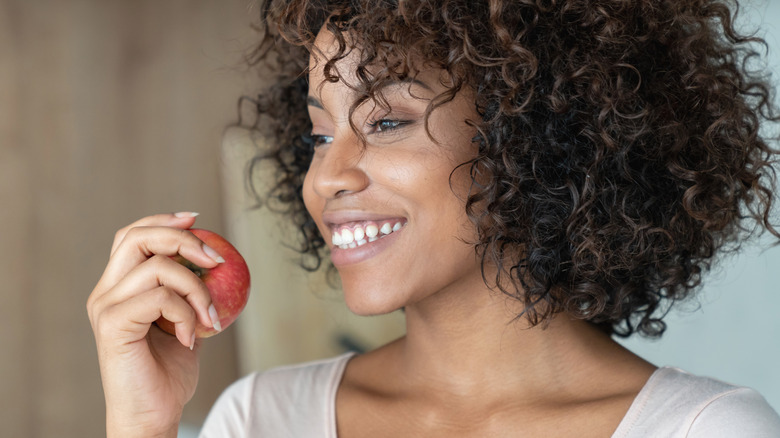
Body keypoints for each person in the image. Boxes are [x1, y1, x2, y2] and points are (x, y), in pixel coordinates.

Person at [87, 0, 780, 436]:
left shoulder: (702, 430)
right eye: (318, 136)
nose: (327, 176)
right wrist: (143, 425)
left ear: (532, 135)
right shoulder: (262, 418)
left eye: (387, 121)